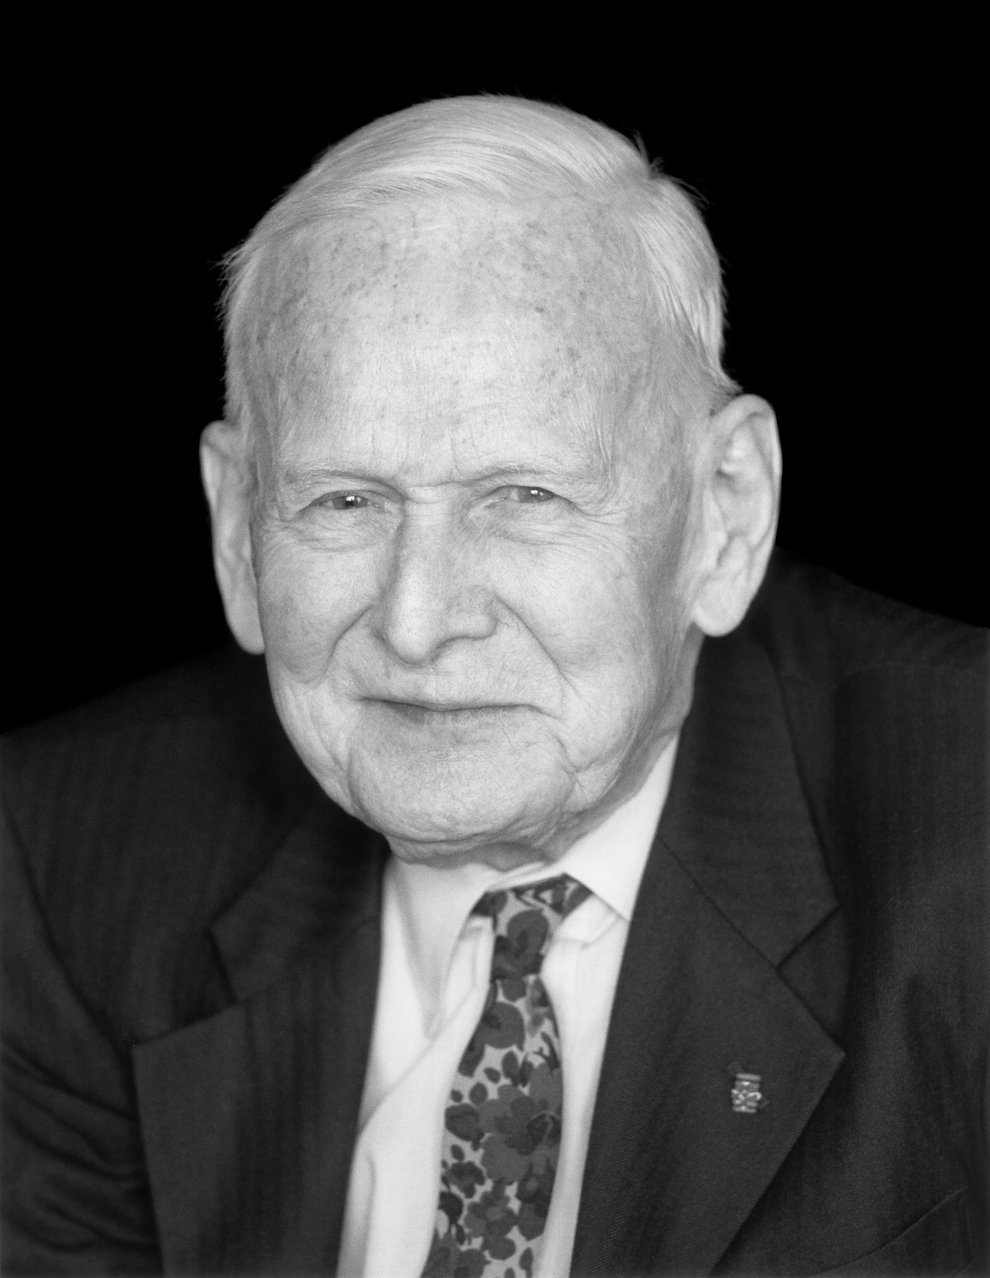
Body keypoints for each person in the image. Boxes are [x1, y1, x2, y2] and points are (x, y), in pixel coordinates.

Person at [2, 95, 986, 1277]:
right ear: (234, 534)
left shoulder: (968, 847)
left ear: (725, 516)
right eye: (345, 501)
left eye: (525, 498)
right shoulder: (65, 858)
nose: (419, 623)